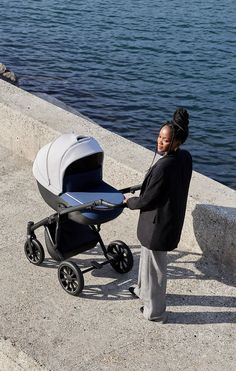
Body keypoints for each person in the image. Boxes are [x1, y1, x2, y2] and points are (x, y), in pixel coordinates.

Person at [124, 108, 192, 323]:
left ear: (176, 142)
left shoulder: (164, 166)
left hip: (158, 225)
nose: (160, 142)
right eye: (159, 137)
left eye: (165, 139)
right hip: (168, 220)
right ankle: (142, 290)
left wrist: (129, 202)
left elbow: (147, 200)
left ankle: (155, 312)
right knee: (147, 260)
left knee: (156, 269)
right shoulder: (185, 158)